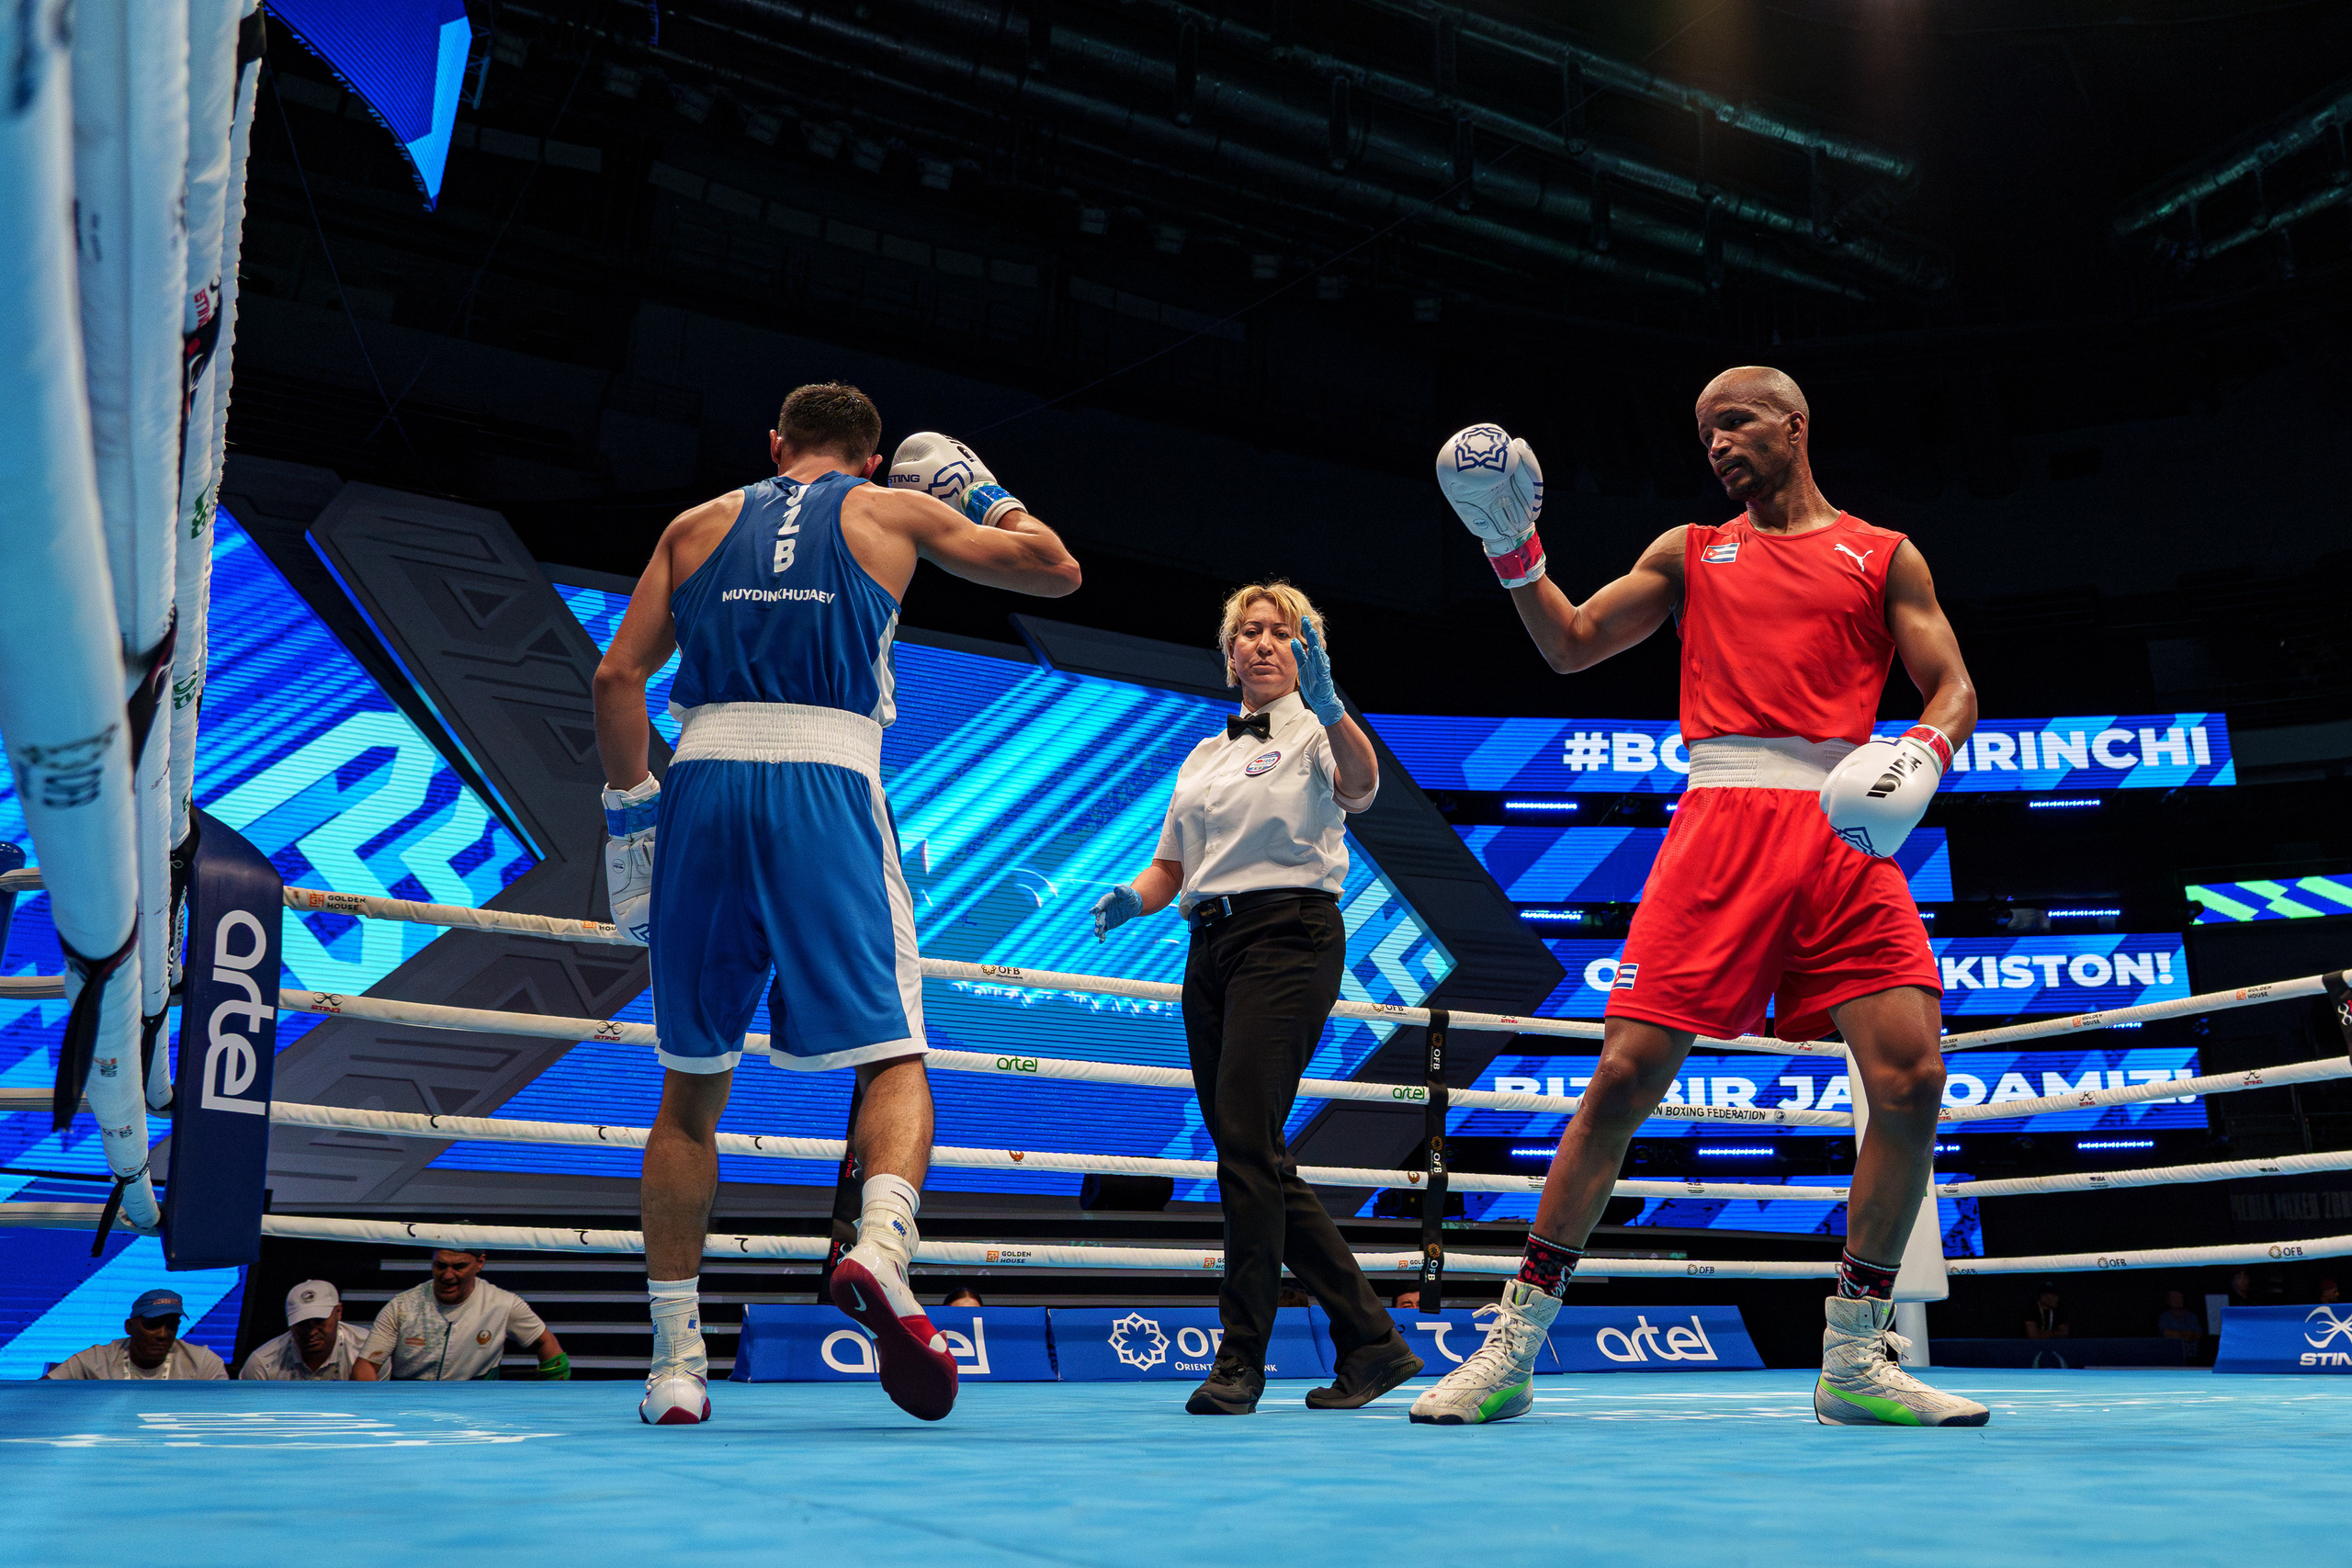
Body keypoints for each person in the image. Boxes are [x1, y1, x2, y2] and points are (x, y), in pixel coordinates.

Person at [1412, 370, 1989, 1428]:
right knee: (1624, 1078)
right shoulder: (1690, 549)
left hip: (1845, 825)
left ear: (1793, 425)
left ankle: (1856, 1356)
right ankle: (1512, 1345)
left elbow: (1953, 685)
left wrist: (1923, 746)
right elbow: (1570, 644)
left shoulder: (1882, 552)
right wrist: (1512, 551)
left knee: (1910, 1082)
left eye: (1734, 421)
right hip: (1721, 819)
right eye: (1702, 431)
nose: (1716, 442)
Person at [594, 384, 1081, 1427]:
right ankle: (880, 1247)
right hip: (826, 779)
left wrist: (631, 816)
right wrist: (982, 494)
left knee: (688, 1095)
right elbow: (1056, 568)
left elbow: (614, 678)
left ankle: (677, 1368)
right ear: (870, 462)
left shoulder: (695, 524)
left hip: (702, 785)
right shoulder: (888, 512)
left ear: (773, 445)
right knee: (894, 1054)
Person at [1091, 581, 1423, 1416]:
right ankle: (1372, 1340)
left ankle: (1241, 1359)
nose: (1265, 643)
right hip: (1209, 948)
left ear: (1305, 649)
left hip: (1289, 937)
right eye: (1251, 631)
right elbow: (1172, 866)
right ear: (1229, 649)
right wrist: (1134, 896)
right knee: (1254, 1152)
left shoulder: (1319, 727)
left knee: (1244, 1145)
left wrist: (1332, 701)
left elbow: (1362, 784)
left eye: (1283, 632)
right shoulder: (1203, 756)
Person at [354, 1249, 568, 1382]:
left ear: (480, 1263)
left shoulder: (503, 1304)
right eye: (440, 1265)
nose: (447, 1275)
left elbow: (547, 1344)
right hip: (410, 1407)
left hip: (478, 1409)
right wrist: (376, 1408)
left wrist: (554, 1402)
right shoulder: (401, 1306)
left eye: (459, 1266)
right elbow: (365, 1366)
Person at [45, 1287, 227, 1381]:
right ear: (129, 1327)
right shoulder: (98, 1359)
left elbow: (225, 1413)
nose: (163, 1334)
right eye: (153, 1324)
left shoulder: (203, 1362)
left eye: (171, 1326)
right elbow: (38, 1393)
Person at [240, 1280, 369, 1381]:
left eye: (320, 1321)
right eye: (302, 1324)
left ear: (339, 1312)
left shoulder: (367, 1351)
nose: (312, 1332)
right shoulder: (261, 1364)